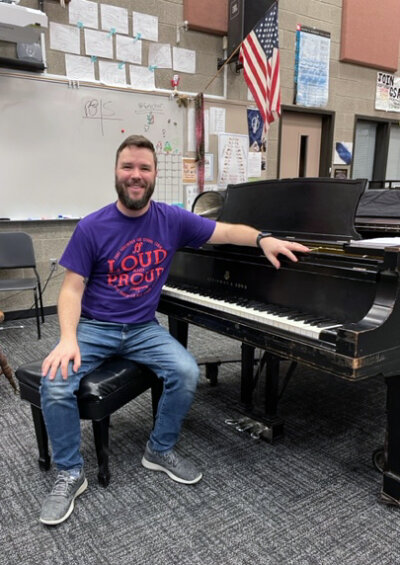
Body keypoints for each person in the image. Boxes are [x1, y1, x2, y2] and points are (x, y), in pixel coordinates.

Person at [39, 135, 309, 526]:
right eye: (128, 167)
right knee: (55, 381)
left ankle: (159, 449)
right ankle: (70, 472)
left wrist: (263, 238)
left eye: (144, 168)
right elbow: (71, 288)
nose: (136, 175)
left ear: (154, 175)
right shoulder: (92, 227)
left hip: (143, 330)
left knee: (185, 371)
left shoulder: (172, 219)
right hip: (96, 328)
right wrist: (67, 338)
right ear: (117, 172)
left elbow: (227, 231)